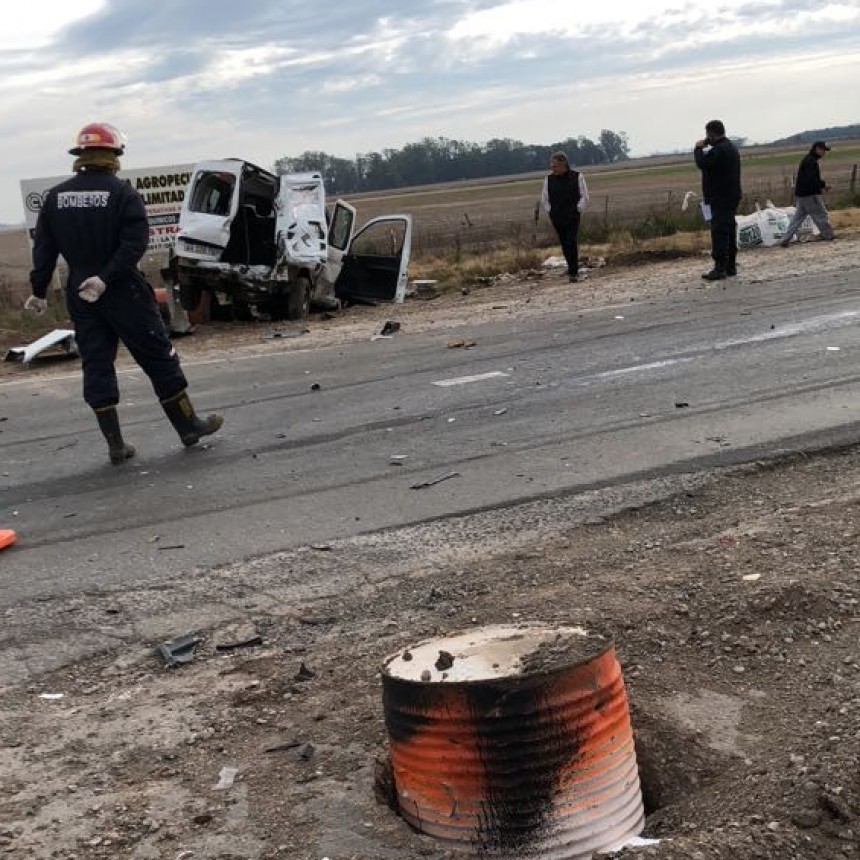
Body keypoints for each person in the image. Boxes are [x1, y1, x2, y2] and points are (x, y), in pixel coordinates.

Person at [24, 122, 223, 465]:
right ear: (113, 155)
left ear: (80, 156)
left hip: (80, 293)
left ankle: (115, 445)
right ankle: (189, 426)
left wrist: (39, 291)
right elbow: (134, 244)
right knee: (158, 355)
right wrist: (106, 277)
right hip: (122, 290)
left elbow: (43, 249)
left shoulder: (56, 198)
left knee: (97, 363)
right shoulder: (121, 194)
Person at [694, 120, 742, 280]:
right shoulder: (731, 147)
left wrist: (698, 148)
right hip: (732, 195)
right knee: (729, 230)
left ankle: (719, 268)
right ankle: (731, 266)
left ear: (711, 134)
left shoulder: (719, 150)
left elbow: (702, 163)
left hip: (720, 197)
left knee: (719, 232)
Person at [541, 151, 590, 283]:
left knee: (571, 241)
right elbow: (545, 199)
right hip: (557, 216)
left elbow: (584, 196)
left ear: (563, 164)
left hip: (573, 215)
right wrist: (551, 212)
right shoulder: (548, 180)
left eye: (555, 166)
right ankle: (571, 268)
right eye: (551, 166)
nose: (553, 168)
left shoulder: (577, 176)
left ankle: (574, 271)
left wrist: (578, 210)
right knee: (564, 243)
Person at [779, 141, 835, 246]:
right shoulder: (811, 161)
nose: (824, 153)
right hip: (810, 194)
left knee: (798, 218)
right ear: (817, 149)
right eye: (823, 150)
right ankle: (828, 235)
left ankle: (785, 239)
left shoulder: (808, 159)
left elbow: (810, 178)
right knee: (820, 214)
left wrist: (822, 185)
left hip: (802, 194)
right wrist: (822, 185)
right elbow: (812, 179)